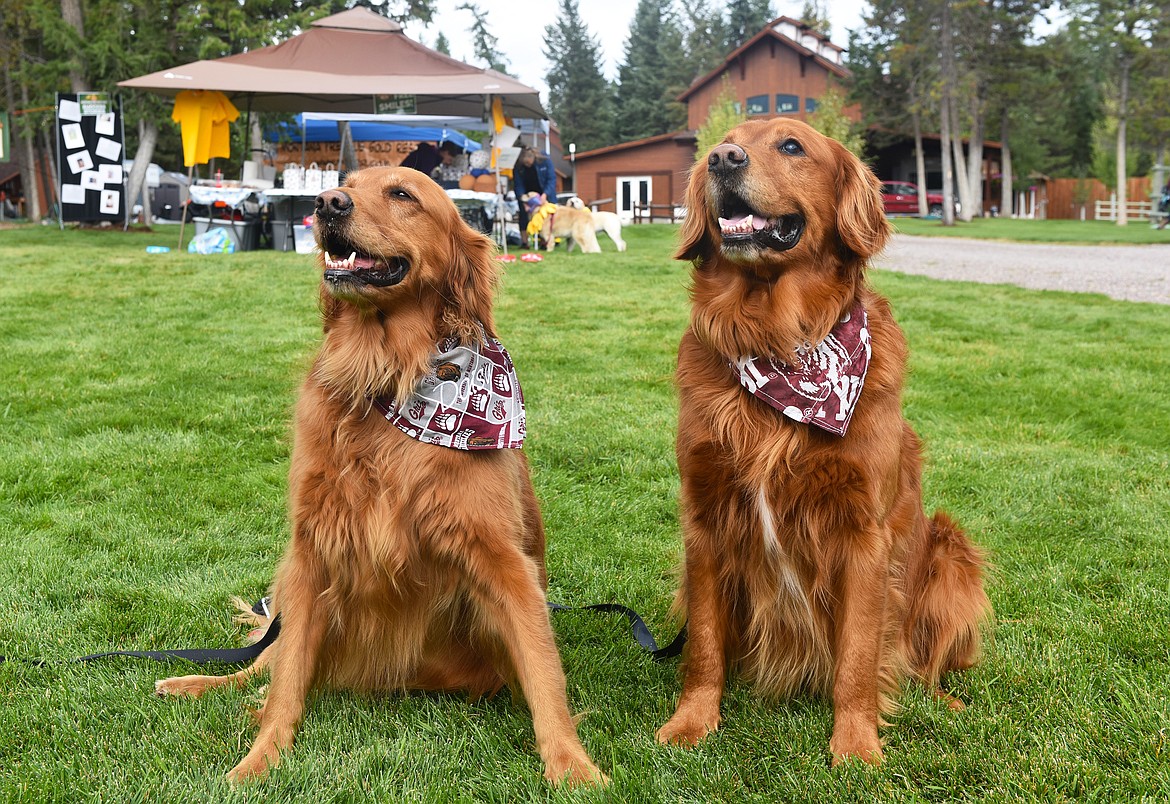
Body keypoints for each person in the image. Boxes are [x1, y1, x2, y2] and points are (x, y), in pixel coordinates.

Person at [513, 146, 558, 236]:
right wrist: (522, 199)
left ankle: (546, 240)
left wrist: (545, 194)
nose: (527, 165)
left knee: (546, 216)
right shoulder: (518, 166)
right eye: (524, 163)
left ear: (533, 157)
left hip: (544, 192)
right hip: (527, 194)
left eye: (528, 162)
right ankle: (525, 242)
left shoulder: (545, 161)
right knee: (524, 216)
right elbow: (518, 184)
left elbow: (551, 179)